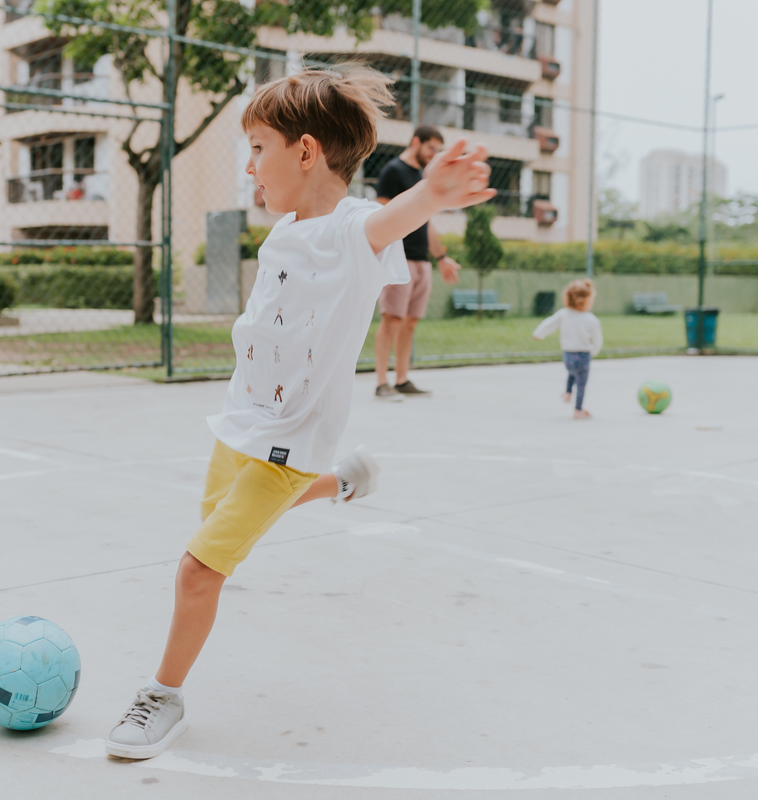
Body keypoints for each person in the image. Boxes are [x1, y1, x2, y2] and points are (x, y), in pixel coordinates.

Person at [104, 67, 495, 760]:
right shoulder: (288, 230)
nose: (251, 166)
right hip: (240, 422)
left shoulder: (352, 232)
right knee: (227, 527)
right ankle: (339, 481)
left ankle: (162, 695)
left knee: (199, 570)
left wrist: (433, 192)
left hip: (287, 440)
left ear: (306, 152)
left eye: (258, 148)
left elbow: (389, 222)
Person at [372, 126, 464, 401]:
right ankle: (381, 382)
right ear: (416, 142)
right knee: (392, 319)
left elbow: (426, 221)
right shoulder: (393, 171)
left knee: (410, 323)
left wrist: (441, 257)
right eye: (431, 148)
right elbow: (382, 214)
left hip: (422, 261)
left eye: (438, 149)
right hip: (399, 258)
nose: (434, 154)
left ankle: (402, 379)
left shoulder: (421, 177)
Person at [532, 279, 603, 419]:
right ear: (586, 300)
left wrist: (538, 334)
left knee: (571, 372)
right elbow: (597, 340)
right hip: (583, 356)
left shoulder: (563, 314)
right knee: (581, 384)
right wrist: (594, 352)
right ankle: (578, 410)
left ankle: (568, 393)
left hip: (568, 356)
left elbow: (549, 324)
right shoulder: (591, 320)